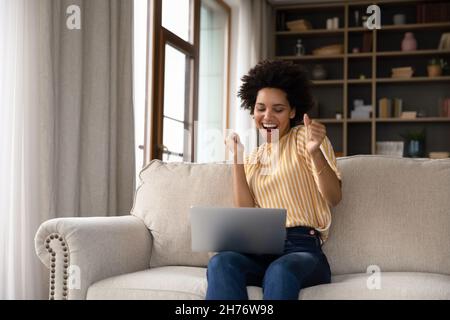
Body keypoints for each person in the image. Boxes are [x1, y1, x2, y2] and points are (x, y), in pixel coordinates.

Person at [205, 59, 342, 300]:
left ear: (292, 111)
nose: (267, 116)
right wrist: (237, 158)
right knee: (221, 262)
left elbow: (334, 197)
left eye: (278, 109)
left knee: (280, 271)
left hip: (302, 249)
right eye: (261, 108)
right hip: (260, 248)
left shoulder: (304, 138)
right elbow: (246, 212)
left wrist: (315, 152)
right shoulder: (254, 157)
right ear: (252, 110)